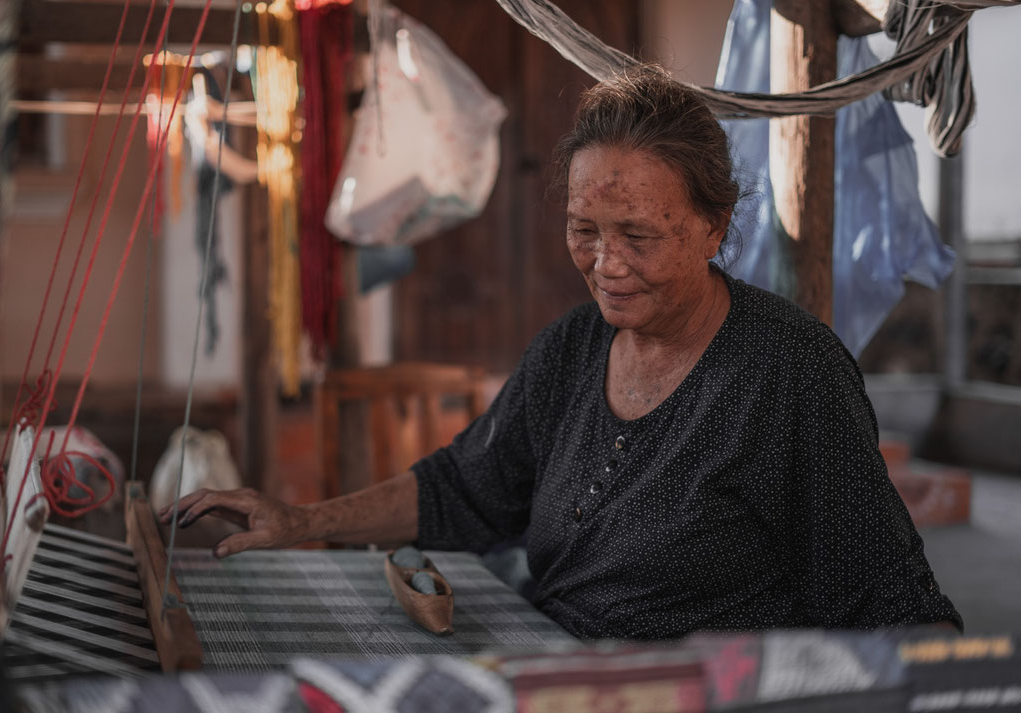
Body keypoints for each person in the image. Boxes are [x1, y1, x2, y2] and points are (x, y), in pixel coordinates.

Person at [163, 64, 961, 639]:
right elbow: (464, 487)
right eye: (585, 231)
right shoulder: (575, 347)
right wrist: (301, 519)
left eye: (638, 236)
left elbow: (889, 599)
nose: (606, 264)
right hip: (555, 670)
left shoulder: (790, 372)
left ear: (715, 228)